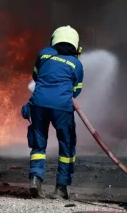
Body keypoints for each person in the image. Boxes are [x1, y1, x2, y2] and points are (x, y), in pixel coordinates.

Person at [21, 25, 84, 200]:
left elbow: (36, 76)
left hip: (38, 103)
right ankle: (61, 188)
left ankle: (35, 180)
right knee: (67, 145)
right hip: (62, 107)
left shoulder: (43, 54)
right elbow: (76, 90)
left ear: (54, 39)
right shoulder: (76, 63)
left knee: (39, 144)